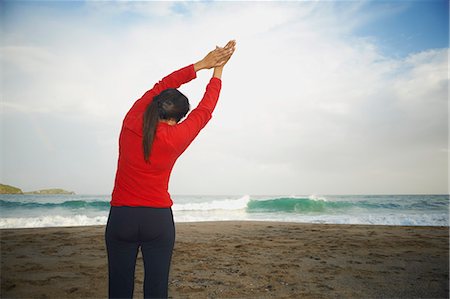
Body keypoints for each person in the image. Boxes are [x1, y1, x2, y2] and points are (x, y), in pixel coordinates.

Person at [105, 40, 236, 299]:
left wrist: (202, 64)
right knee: (157, 288)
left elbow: (162, 85)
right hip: (158, 219)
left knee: (119, 288)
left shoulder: (131, 121)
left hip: (122, 217)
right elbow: (206, 109)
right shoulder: (178, 136)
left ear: (154, 105)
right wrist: (217, 71)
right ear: (179, 117)